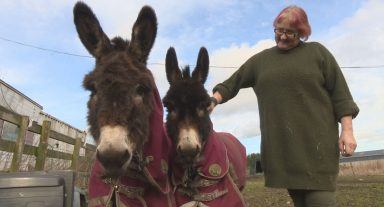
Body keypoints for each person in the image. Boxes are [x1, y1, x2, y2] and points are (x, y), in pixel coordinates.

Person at [209, 5, 359, 207]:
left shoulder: (318, 53)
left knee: (320, 201)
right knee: (301, 202)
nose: (283, 36)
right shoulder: (262, 61)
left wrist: (347, 131)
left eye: (291, 32)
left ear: (303, 33)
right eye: (279, 30)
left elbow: (341, 95)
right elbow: (233, 83)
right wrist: (213, 100)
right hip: (285, 151)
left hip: (317, 149)